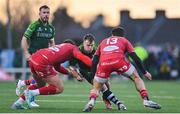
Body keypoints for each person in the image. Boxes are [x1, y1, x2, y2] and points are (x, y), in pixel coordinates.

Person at [83, 27, 161, 112]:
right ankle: (146, 99)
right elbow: (135, 57)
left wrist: (93, 75)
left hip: (104, 64)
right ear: (123, 36)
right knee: (136, 77)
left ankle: (92, 101)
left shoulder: (104, 41)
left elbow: (95, 60)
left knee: (97, 86)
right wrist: (145, 72)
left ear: (112, 35)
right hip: (119, 62)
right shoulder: (124, 40)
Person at [11, 40, 92, 109]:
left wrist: (71, 73)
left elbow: (57, 68)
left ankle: (18, 103)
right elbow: (82, 57)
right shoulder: (73, 48)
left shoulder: (60, 49)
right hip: (42, 62)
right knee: (59, 88)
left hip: (34, 59)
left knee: (41, 84)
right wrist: (94, 65)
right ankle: (31, 93)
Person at [70, 34, 126, 110]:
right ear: (83, 43)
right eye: (88, 45)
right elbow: (71, 66)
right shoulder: (77, 51)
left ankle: (107, 101)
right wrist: (77, 75)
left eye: (91, 45)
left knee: (107, 84)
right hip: (86, 72)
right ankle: (117, 103)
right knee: (102, 87)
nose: (90, 47)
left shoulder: (96, 50)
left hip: (97, 70)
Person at [16, 5, 55, 107]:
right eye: (44, 12)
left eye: (48, 12)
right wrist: (26, 53)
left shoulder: (51, 28)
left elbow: (52, 43)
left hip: (44, 59)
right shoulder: (34, 25)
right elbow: (24, 39)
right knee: (41, 81)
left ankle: (23, 86)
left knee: (41, 82)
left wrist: (53, 56)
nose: (46, 15)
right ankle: (29, 99)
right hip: (34, 57)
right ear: (40, 14)